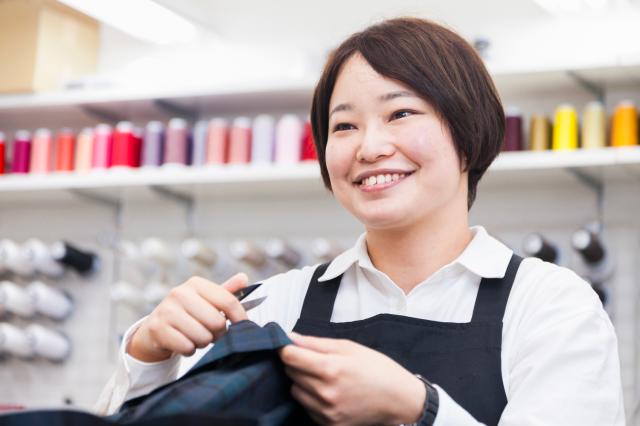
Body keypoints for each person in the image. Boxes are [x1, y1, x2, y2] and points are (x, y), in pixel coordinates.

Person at [96, 17, 625, 425]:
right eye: (343, 125)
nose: (369, 147)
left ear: (469, 130)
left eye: (400, 113)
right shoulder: (276, 303)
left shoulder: (551, 306)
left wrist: (417, 407)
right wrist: (149, 352)